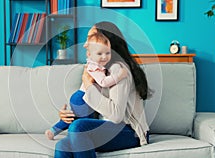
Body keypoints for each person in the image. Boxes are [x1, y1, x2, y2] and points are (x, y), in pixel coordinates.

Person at [54, 21, 150, 158]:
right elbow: (86, 104)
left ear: (107, 42)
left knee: (79, 128)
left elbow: (116, 116)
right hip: (104, 128)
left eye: (90, 38)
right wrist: (67, 117)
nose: (85, 44)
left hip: (130, 131)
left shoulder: (118, 69)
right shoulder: (98, 70)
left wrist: (88, 85)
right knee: (62, 145)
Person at [45, 32, 128, 140]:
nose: (104, 57)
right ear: (89, 55)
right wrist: (119, 76)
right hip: (84, 98)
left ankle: (52, 131)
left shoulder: (98, 64)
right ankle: (73, 140)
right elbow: (103, 82)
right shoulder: (93, 67)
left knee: (73, 118)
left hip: (81, 97)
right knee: (85, 127)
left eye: (107, 53)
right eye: (99, 54)